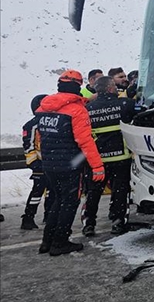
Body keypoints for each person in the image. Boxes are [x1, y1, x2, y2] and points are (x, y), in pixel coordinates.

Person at [36, 70, 104, 256]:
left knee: (58, 200)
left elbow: (42, 136)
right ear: (77, 86)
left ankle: (47, 241)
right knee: (69, 202)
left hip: (49, 164)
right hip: (70, 165)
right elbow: (85, 141)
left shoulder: (44, 108)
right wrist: (97, 166)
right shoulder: (76, 110)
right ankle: (60, 242)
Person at [82, 76, 138, 236]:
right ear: (109, 89)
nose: (116, 88)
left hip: (96, 161)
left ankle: (89, 224)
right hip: (121, 157)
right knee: (120, 191)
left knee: (92, 193)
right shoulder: (125, 104)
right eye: (114, 86)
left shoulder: (88, 109)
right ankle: (118, 222)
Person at [20, 94, 50, 230]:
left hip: (51, 163)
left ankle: (49, 215)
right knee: (37, 191)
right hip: (38, 163)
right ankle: (28, 217)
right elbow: (28, 146)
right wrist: (34, 163)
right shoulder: (32, 125)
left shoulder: (51, 121)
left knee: (52, 190)